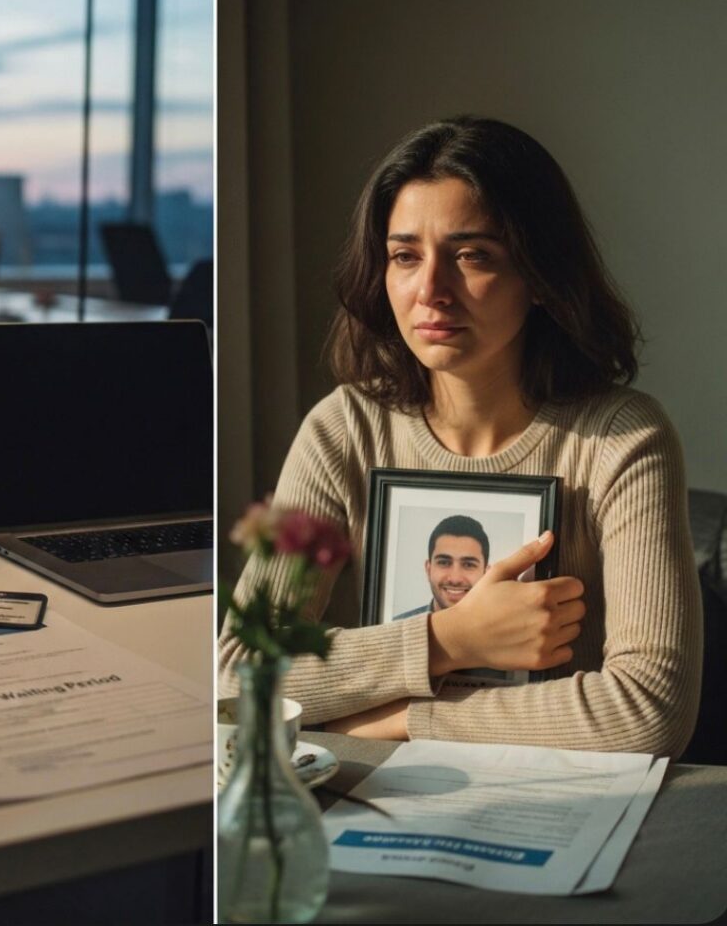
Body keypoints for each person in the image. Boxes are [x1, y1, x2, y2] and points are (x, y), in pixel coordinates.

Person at [218, 116, 702, 759]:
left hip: (568, 809)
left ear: (538, 275)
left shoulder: (623, 439)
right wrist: (450, 638)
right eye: (404, 256)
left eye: (471, 255)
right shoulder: (343, 429)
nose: (431, 291)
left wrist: (399, 722)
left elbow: (648, 713)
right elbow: (237, 678)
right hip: (382, 804)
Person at [396, 515, 490, 619]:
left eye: (468, 565)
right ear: (428, 569)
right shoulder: (395, 630)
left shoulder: (508, 634)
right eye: (444, 563)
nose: (455, 579)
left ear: (486, 574)